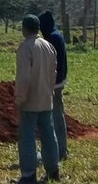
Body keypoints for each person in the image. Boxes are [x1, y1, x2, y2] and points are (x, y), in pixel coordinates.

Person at [14, 14, 60, 184]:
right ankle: (53, 170)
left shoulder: (26, 47)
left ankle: (28, 175)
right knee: (49, 134)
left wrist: (19, 99)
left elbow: (23, 78)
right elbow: (53, 73)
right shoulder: (49, 46)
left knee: (27, 138)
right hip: (46, 97)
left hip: (30, 100)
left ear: (24, 29)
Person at [39, 10, 69, 161]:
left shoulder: (52, 38)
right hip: (58, 81)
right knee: (56, 116)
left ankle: (59, 151)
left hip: (54, 83)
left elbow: (51, 64)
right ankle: (59, 150)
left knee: (55, 118)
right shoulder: (56, 35)